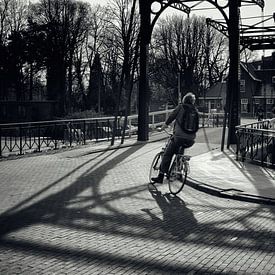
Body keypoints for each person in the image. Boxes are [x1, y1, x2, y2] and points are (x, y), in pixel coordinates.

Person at [151, 92, 199, 184]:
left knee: (168, 154)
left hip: (178, 137)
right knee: (179, 152)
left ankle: (160, 176)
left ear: (184, 100)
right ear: (193, 102)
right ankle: (177, 170)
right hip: (191, 140)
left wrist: (162, 128)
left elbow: (171, 117)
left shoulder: (180, 107)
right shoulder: (195, 110)